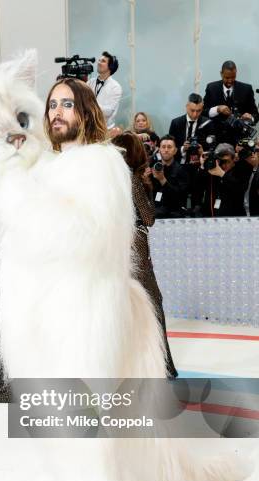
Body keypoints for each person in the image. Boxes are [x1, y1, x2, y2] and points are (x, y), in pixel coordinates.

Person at [112, 131, 177, 377]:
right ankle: (163, 365)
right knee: (153, 302)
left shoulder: (108, 182)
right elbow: (148, 218)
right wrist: (146, 186)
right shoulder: (132, 180)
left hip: (113, 246)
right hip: (135, 245)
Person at [169, 93, 212, 214]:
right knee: (178, 202)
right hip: (180, 166)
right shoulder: (176, 123)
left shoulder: (208, 123)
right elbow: (169, 146)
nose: (195, 114)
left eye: (198, 111)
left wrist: (202, 151)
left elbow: (211, 147)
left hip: (199, 167)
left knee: (197, 203)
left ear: (202, 108)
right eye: (192, 110)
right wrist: (183, 148)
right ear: (186, 106)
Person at [203, 60, 258, 144]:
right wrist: (217, 109)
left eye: (233, 77)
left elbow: (256, 115)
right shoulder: (211, 88)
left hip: (240, 141)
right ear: (221, 74)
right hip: (216, 140)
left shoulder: (246, 89)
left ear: (236, 73)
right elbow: (203, 112)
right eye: (227, 78)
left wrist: (250, 118)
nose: (230, 81)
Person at [199, 143, 246, 217]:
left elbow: (239, 189)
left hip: (233, 218)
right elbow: (198, 186)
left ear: (234, 159)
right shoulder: (214, 170)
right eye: (221, 161)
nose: (223, 165)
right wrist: (203, 165)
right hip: (211, 216)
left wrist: (222, 174)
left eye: (227, 161)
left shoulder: (240, 170)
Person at [147, 134, 189, 218]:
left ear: (175, 150)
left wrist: (162, 180)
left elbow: (180, 197)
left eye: (169, 147)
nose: (166, 150)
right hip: (155, 212)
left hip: (174, 214)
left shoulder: (182, 170)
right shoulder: (153, 168)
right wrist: (146, 180)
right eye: (163, 147)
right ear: (159, 150)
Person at [87, 51, 122, 128]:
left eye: (103, 61)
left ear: (110, 66)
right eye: (99, 60)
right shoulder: (90, 82)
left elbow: (108, 111)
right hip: (88, 127)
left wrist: (90, 105)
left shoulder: (115, 87)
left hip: (105, 129)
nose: (99, 63)